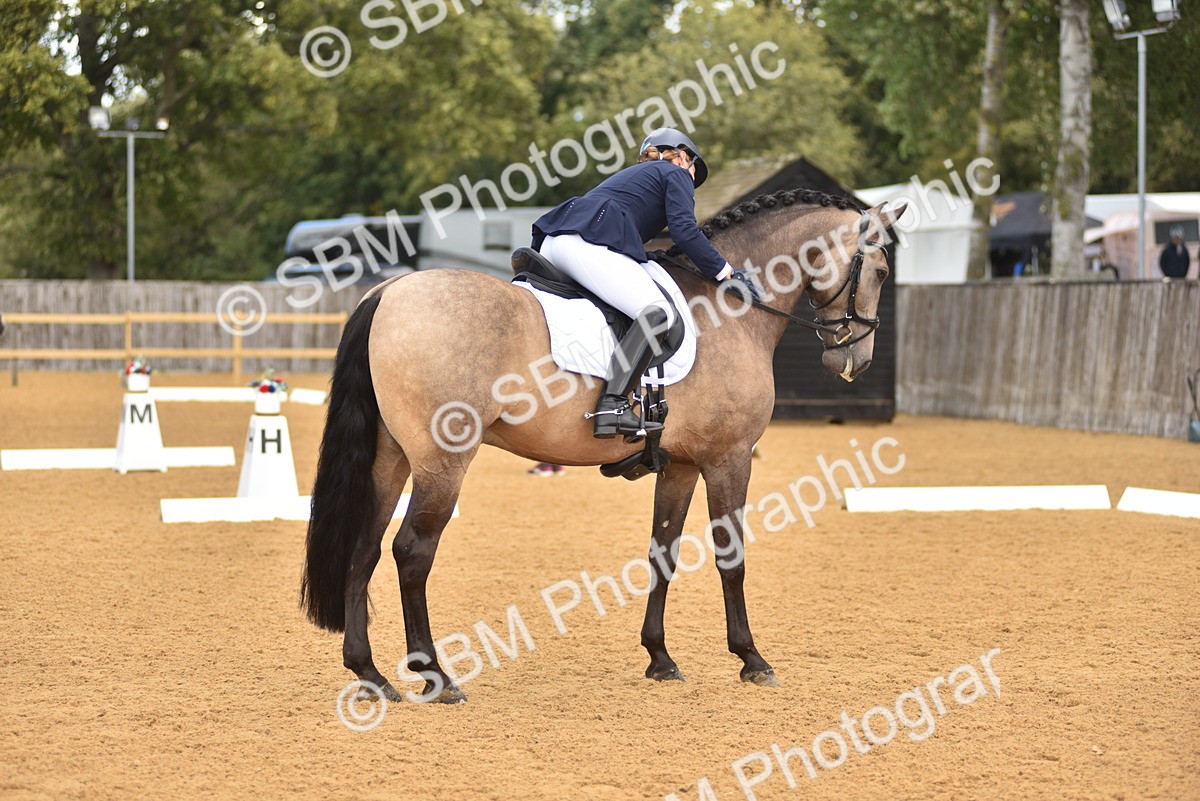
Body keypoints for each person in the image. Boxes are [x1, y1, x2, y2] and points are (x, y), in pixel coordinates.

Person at [531, 127, 758, 438]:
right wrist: (725, 273)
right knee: (656, 312)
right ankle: (612, 405)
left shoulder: (636, 179)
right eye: (694, 171)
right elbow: (685, 230)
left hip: (555, 243)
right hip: (584, 244)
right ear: (684, 156)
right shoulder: (674, 172)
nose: (692, 181)